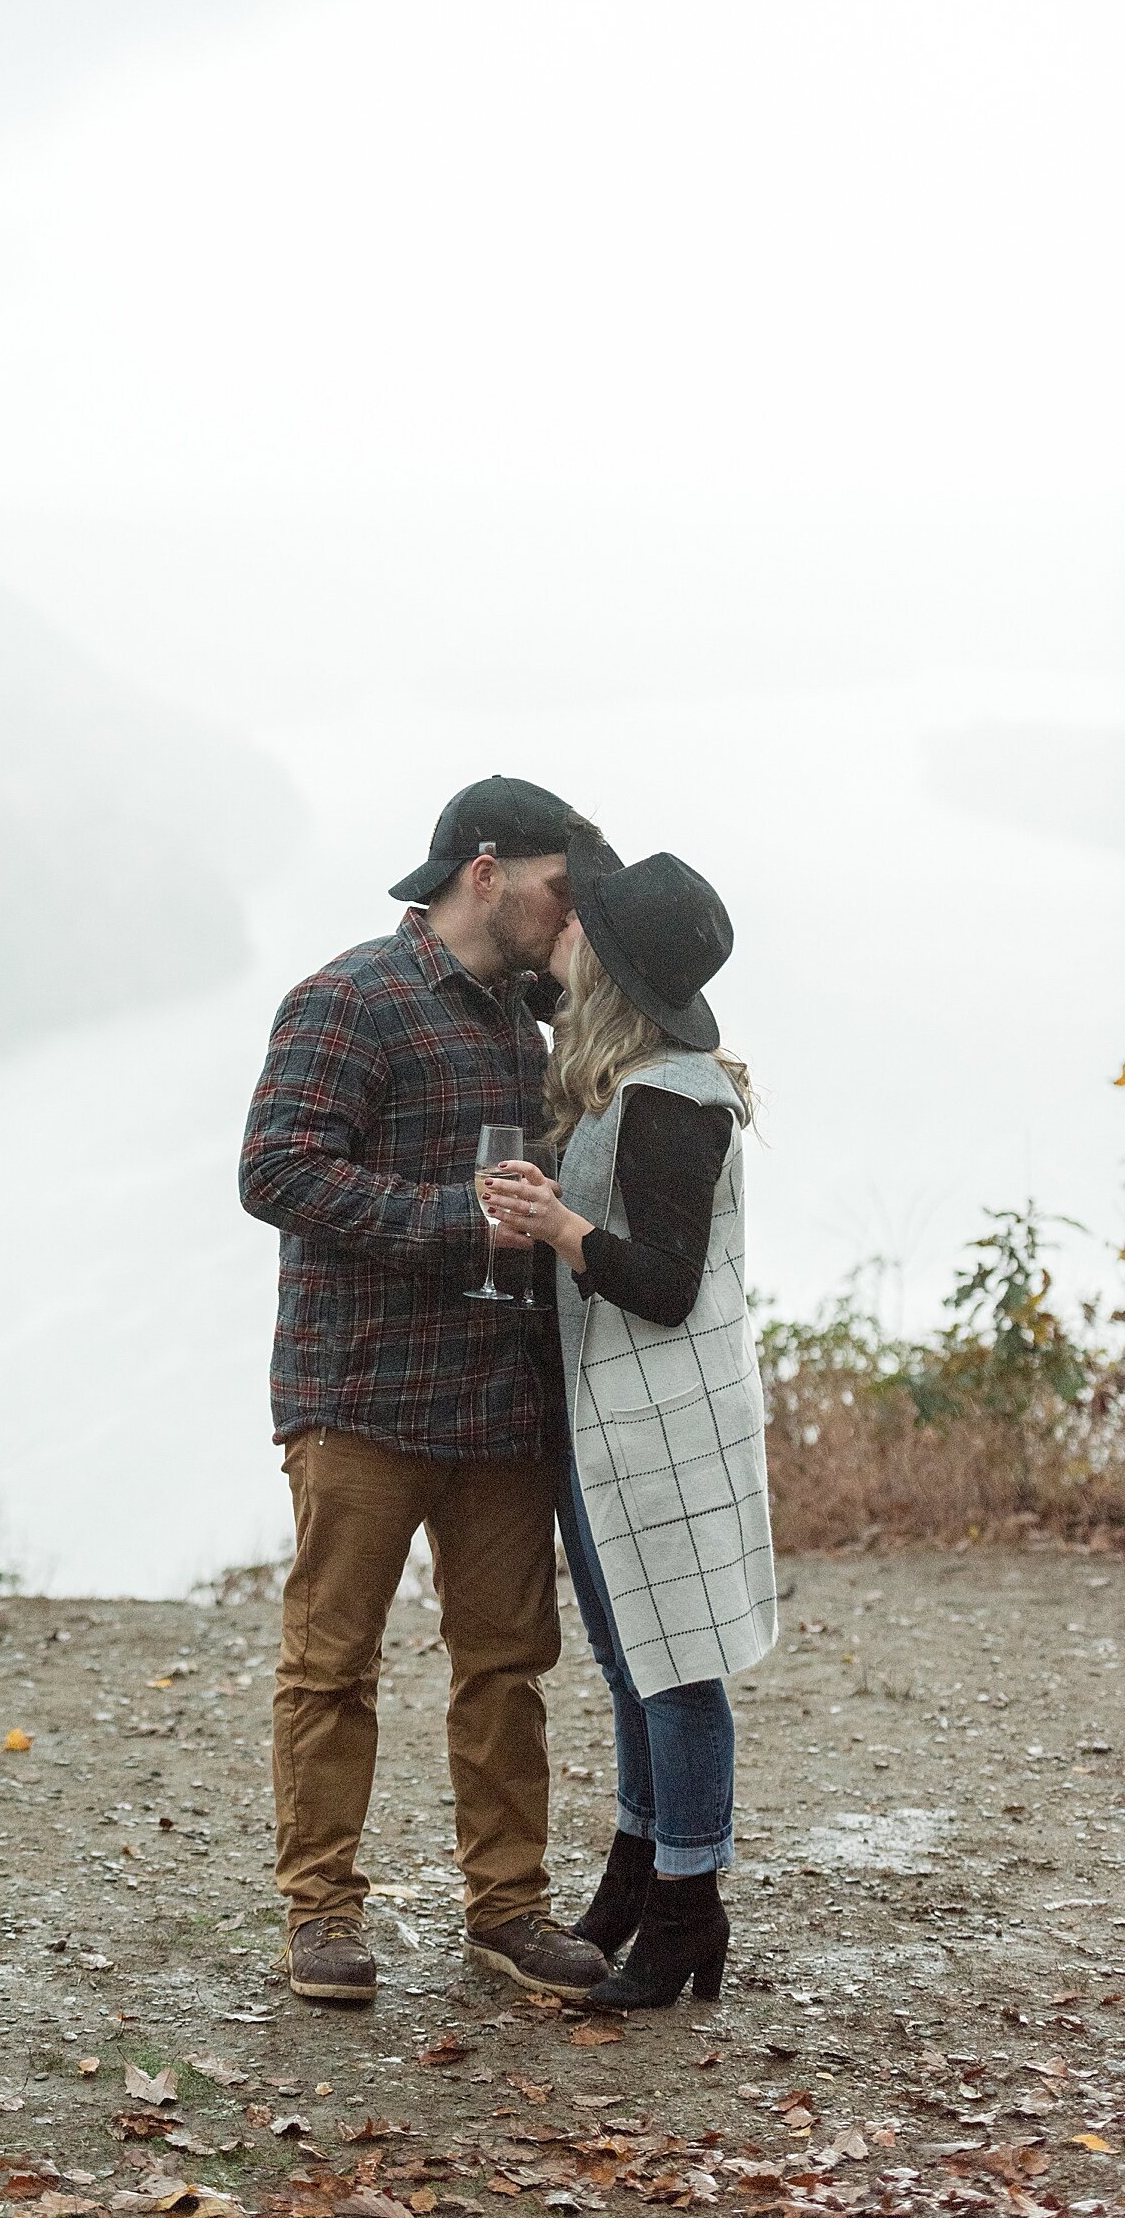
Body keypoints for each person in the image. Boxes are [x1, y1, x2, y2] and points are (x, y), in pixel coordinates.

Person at [239, 776, 611, 2007]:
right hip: (360, 1395)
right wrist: (461, 1222)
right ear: (486, 870)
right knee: (331, 1663)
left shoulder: (535, 1023)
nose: (573, 917)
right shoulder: (350, 997)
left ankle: (508, 1908)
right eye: (562, 890)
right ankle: (322, 1918)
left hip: (503, 1402)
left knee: (507, 1665)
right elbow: (277, 1170)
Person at [483, 834, 777, 2010]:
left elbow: (663, 1281)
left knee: (677, 1671)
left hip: (664, 1433)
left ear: (605, 964)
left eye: (575, 925)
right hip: (610, 1421)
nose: (559, 928)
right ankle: (639, 1868)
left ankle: (687, 1910)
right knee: (630, 1663)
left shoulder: (673, 1099)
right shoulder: (628, 1081)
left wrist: (558, 1229)